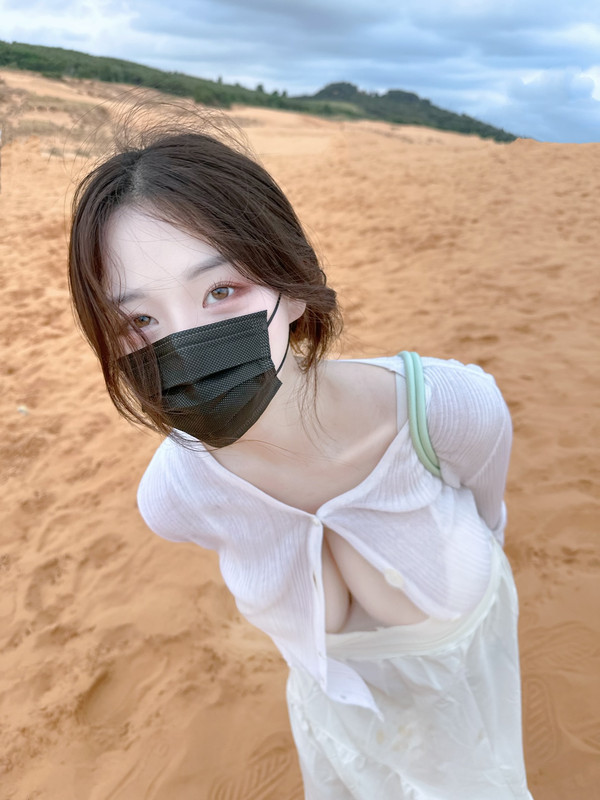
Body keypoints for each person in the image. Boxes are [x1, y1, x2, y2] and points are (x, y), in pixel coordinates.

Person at [68, 123, 534, 799]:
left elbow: (491, 516)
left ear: (290, 283)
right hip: (340, 743)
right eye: (140, 321)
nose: (186, 345)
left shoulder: (447, 409)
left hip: (472, 734)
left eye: (220, 290)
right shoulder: (177, 495)